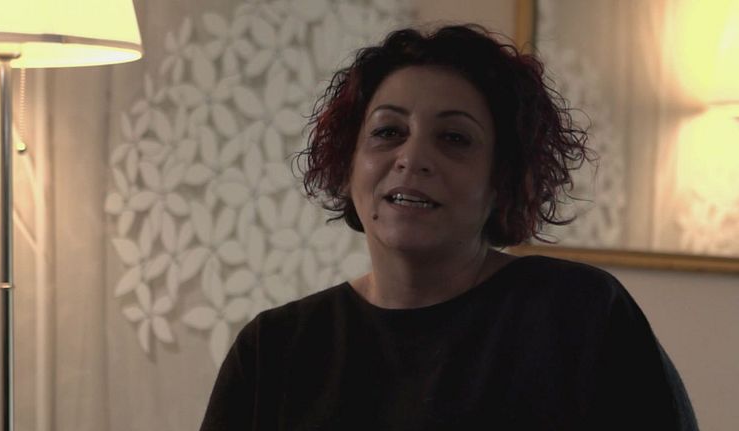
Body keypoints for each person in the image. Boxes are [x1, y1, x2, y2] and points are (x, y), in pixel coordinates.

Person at [200, 24, 698, 430]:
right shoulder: (273, 349)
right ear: (348, 165)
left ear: (502, 179)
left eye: (454, 138)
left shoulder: (581, 316)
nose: (412, 157)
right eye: (388, 132)